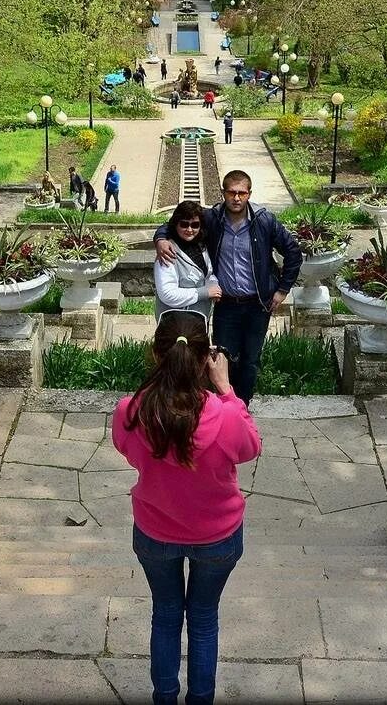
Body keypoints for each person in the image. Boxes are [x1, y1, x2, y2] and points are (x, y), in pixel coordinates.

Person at [112, 312, 260, 705]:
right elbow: (251, 447)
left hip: (155, 532)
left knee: (165, 615)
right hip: (218, 536)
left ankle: (164, 697)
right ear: (204, 359)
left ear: (155, 354)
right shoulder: (226, 414)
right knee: (203, 619)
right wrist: (227, 389)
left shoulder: (132, 410)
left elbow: (129, 452)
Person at [153, 170, 303, 403]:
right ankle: (224, 407)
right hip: (227, 305)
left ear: (249, 194)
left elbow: (293, 252)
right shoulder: (212, 218)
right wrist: (161, 238)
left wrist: (283, 289)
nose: (236, 198)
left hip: (258, 304)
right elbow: (177, 221)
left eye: (242, 193)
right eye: (231, 192)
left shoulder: (264, 221)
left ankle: (242, 409)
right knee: (221, 358)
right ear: (223, 193)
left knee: (250, 360)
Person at [154, 200, 220, 328]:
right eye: (184, 224)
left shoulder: (201, 247)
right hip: (174, 324)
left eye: (195, 225)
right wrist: (205, 293)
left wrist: (213, 284)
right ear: (175, 224)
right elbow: (167, 294)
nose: (189, 229)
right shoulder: (167, 251)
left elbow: (208, 274)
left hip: (199, 320)